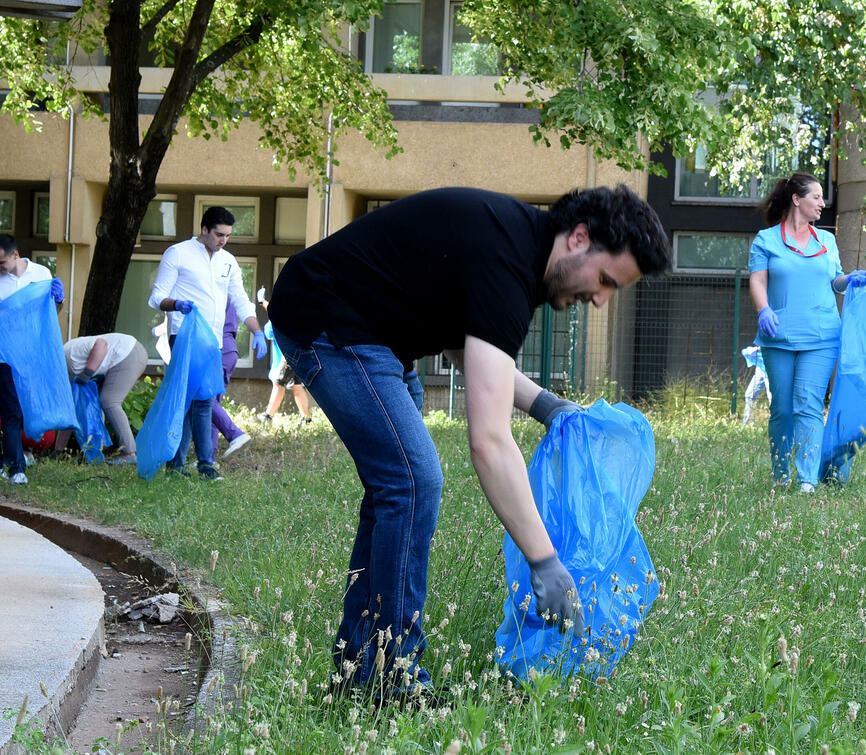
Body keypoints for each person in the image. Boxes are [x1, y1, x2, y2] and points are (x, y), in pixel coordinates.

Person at [266, 185, 668, 700]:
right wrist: (544, 561)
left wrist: (545, 404)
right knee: (411, 480)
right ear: (579, 238)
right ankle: (392, 675)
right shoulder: (508, 263)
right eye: (606, 280)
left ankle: (361, 667)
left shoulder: (513, 247)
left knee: (396, 485)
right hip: (326, 318)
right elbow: (490, 441)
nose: (600, 298)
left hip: (363, 329)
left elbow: (469, 345)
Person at [748, 173, 866, 494]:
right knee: (782, 409)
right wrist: (764, 310)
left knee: (809, 402)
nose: (822, 203)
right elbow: (758, 281)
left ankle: (806, 480)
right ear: (796, 200)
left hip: (822, 337)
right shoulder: (766, 240)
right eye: (816, 197)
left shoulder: (826, 241)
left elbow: (834, 282)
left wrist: (850, 281)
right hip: (780, 336)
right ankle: (780, 474)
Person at [148, 207, 266, 480]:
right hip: (185, 336)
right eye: (219, 234)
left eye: (227, 235)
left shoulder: (228, 262)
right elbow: (156, 298)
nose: (223, 240)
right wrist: (176, 304)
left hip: (213, 341)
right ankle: (202, 465)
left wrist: (257, 331)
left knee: (198, 401)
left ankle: (186, 466)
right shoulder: (178, 253)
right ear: (204, 230)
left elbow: (240, 300)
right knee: (196, 400)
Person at [0, 234, 65, 484]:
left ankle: (10, 460)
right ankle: (17, 468)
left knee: (26, 406)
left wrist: (58, 299)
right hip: (5, 354)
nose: (0, 268)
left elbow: (51, 312)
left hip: (32, 354)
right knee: (11, 410)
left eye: (2, 262)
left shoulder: (41, 274)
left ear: (15, 255)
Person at [54, 333, 149, 464]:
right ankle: (97, 454)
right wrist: (57, 451)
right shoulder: (65, 374)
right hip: (120, 358)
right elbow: (70, 410)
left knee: (109, 401)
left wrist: (88, 372)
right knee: (96, 406)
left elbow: (101, 344)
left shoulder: (69, 352)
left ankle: (129, 453)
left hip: (127, 353)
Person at [257, 291, 312, 425]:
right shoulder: (294, 309)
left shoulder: (289, 311)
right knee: (296, 386)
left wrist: (261, 301)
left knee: (278, 383)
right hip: (297, 352)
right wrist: (262, 302)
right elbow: (273, 311)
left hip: (289, 355)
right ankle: (307, 419)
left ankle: (268, 416)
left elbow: (274, 315)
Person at [211, 300, 252, 458]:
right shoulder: (229, 290)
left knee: (204, 398)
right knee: (213, 403)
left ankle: (235, 434)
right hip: (228, 350)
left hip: (219, 348)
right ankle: (209, 456)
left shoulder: (215, 289)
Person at [741, 345, 771, 425]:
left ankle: (776, 427)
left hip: (772, 372)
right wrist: (758, 349)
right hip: (760, 370)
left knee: (772, 399)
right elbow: (745, 352)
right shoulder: (758, 351)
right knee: (750, 395)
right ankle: (748, 425)